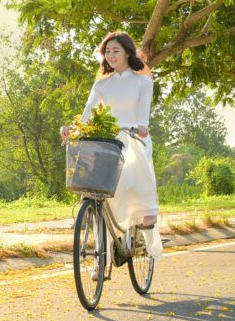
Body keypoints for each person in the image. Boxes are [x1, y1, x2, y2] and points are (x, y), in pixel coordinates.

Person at [60, 31, 163, 267]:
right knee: (98, 197)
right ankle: (100, 261)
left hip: (134, 138)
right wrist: (71, 129)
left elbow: (144, 116)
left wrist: (142, 127)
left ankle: (144, 223)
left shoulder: (143, 81)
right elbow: (86, 115)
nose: (111, 55)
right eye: (107, 51)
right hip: (108, 141)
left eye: (116, 50)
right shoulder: (102, 84)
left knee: (134, 173)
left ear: (127, 52)